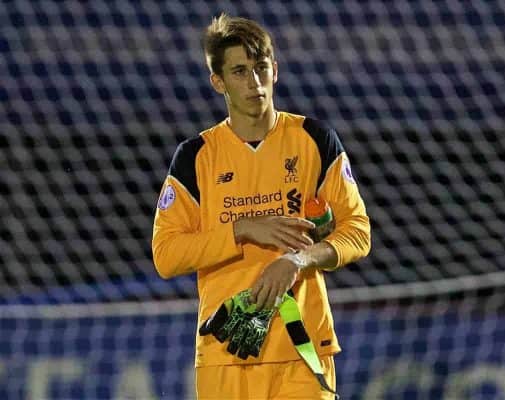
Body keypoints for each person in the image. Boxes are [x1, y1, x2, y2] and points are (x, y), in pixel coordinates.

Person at [152, 13, 370, 400]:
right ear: (218, 82)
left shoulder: (315, 140)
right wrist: (242, 229)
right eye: (239, 72)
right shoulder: (196, 157)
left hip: (301, 350)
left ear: (276, 70)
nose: (254, 83)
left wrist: (298, 260)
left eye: (261, 68)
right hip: (228, 354)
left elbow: (358, 232)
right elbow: (166, 256)